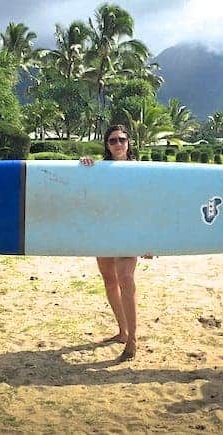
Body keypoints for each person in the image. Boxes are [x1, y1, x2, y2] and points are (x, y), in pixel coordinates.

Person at [80, 124, 149, 362]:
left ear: (129, 142)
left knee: (126, 280)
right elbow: (87, 191)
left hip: (129, 231)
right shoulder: (99, 169)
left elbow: (150, 205)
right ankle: (122, 331)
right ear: (106, 145)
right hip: (104, 230)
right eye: (112, 141)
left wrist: (150, 240)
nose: (117, 144)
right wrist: (85, 166)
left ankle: (132, 340)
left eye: (121, 139)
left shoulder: (140, 170)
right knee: (109, 280)